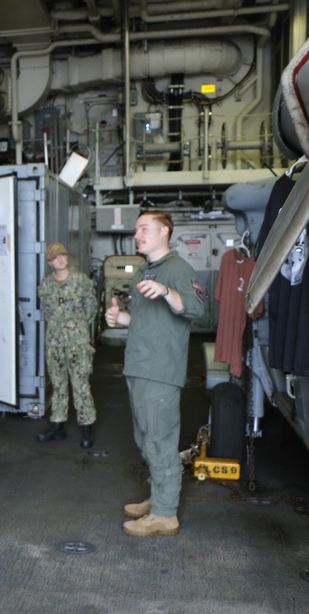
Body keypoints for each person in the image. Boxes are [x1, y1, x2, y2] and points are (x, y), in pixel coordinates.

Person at [105, 211, 206, 537]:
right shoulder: (144, 273)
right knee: (145, 437)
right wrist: (120, 319)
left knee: (160, 440)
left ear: (164, 231)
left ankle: (165, 514)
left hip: (160, 370)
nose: (137, 234)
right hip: (139, 366)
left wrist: (166, 291)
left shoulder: (177, 270)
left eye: (144, 228)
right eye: (136, 230)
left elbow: (197, 308)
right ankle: (159, 496)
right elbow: (145, 321)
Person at [35, 243, 99, 447]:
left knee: (81, 384)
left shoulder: (81, 281)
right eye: (55, 257)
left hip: (77, 342)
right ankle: (57, 425)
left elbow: (91, 307)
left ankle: (87, 427)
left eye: (62, 255)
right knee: (58, 384)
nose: (60, 259)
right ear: (49, 262)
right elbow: (48, 310)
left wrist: (76, 325)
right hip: (54, 342)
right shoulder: (45, 286)